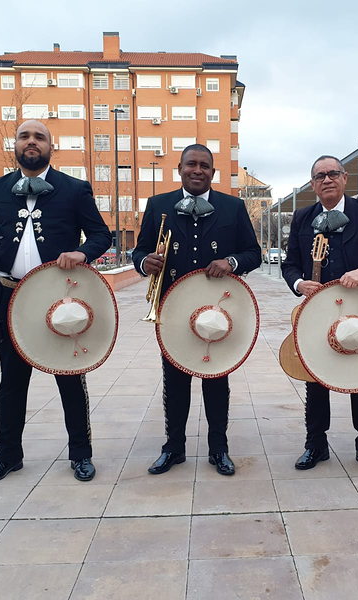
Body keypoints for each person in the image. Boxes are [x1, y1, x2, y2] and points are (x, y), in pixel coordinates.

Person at [0, 119, 111, 484]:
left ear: (52, 147)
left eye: (39, 137)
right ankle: (7, 456)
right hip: (10, 297)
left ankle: (81, 454)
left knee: (69, 378)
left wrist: (81, 254)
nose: (31, 142)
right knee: (12, 383)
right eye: (24, 136)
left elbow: (101, 235)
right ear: (14, 146)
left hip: (59, 299)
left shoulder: (74, 188)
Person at [133, 144, 261, 476]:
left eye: (205, 165)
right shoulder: (158, 204)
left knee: (216, 381)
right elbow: (141, 250)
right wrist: (144, 262)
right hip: (173, 310)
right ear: (180, 168)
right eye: (192, 164)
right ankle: (173, 447)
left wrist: (231, 262)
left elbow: (253, 253)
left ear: (213, 173)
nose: (198, 170)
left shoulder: (233, 207)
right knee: (174, 382)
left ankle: (219, 448)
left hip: (218, 312)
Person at [282, 155, 358, 474]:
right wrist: (298, 282)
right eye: (320, 176)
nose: (327, 179)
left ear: (345, 178)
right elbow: (289, 263)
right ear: (312, 184)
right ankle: (315, 445)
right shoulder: (303, 218)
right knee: (315, 379)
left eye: (333, 173)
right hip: (316, 312)